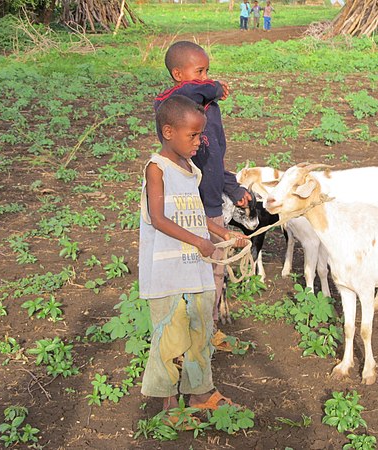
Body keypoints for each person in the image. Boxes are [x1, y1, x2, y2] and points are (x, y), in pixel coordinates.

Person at [139, 95, 247, 417]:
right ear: (169, 132)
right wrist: (200, 243)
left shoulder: (191, 170)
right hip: (169, 276)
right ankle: (169, 406)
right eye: (194, 135)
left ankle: (201, 393)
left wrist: (224, 235)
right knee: (170, 340)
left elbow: (198, 216)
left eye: (201, 135)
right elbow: (158, 218)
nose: (200, 142)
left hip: (195, 271)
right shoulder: (157, 169)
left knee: (201, 334)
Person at [154, 41, 252, 329]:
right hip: (183, 211)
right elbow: (190, 92)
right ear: (177, 74)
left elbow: (217, 158)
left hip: (210, 206)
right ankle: (182, 331)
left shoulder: (211, 111)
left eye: (208, 72)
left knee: (215, 271)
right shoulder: (170, 106)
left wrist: (233, 189)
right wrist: (215, 86)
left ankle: (207, 329)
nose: (206, 78)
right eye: (200, 72)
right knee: (185, 269)